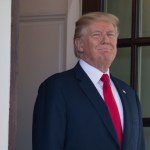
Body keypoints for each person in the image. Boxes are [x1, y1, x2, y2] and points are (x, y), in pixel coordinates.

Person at [32, 12, 145, 150]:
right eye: (97, 35)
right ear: (79, 44)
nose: (106, 40)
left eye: (110, 34)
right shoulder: (56, 88)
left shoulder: (130, 94)